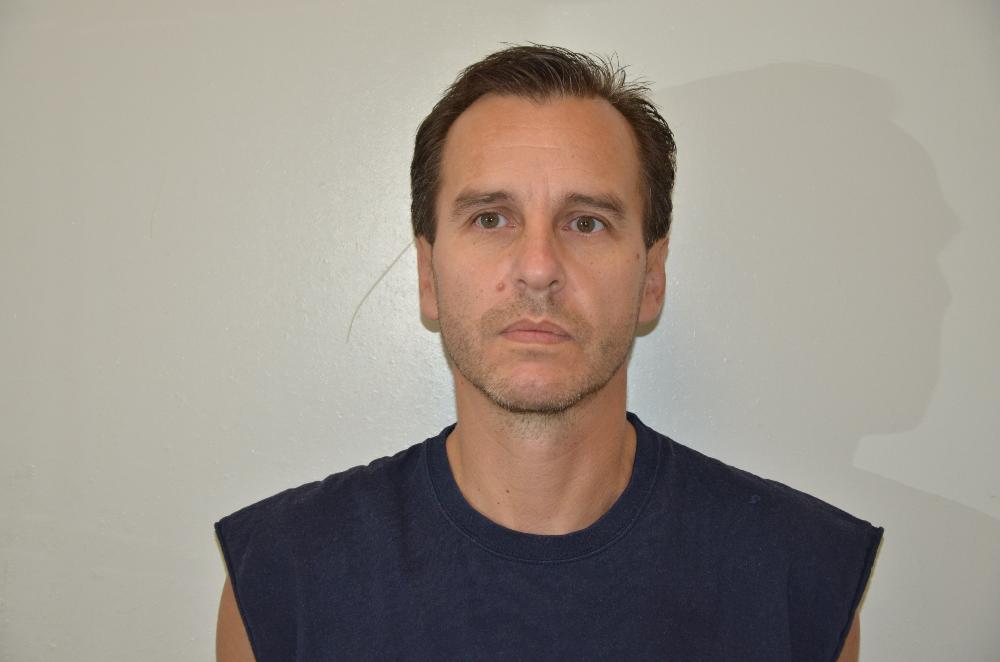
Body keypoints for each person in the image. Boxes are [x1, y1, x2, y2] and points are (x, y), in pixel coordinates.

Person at [215, 45, 881, 661]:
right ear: (427, 276)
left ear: (652, 278)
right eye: (490, 218)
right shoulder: (281, 580)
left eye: (586, 222)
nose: (538, 268)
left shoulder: (800, 579)